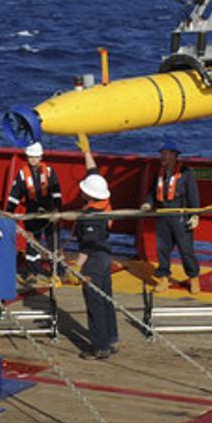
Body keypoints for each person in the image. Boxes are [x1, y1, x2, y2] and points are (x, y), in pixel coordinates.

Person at [70, 134, 119, 360]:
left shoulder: (89, 217)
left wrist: (75, 267)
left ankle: (100, 347)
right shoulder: (104, 201)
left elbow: (88, 246)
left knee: (95, 302)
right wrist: (86, 151)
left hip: (95, 259)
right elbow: (93, 172)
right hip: (107, 254)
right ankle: (112, 338)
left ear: (88, 194)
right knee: (107, 297)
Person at [140, 139, 201, 294]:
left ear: (174, 155)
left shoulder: (186, 174)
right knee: (162, 250)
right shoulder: (159, 174)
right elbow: (153, 193)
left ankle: (193, 278)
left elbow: (193, 195)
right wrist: (148, 203)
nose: (163, 157)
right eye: (162, 154)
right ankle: (163, 279)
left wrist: (194, 215)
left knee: (186, 250)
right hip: (162, 216)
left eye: (165, 154)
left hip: (180, 217)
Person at [6, 142, 63, 286]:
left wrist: (57, 210)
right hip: (32, 212)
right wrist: (9, 211)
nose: (33, 160)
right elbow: (15, 194)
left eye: (35, 157)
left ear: (41, 157)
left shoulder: (49, 172)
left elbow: (56, 193)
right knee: (33, 244)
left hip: (49, 211)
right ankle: (33, 271)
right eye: (30, 157)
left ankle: (57, 271)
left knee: (53, 242)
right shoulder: (22, 174)